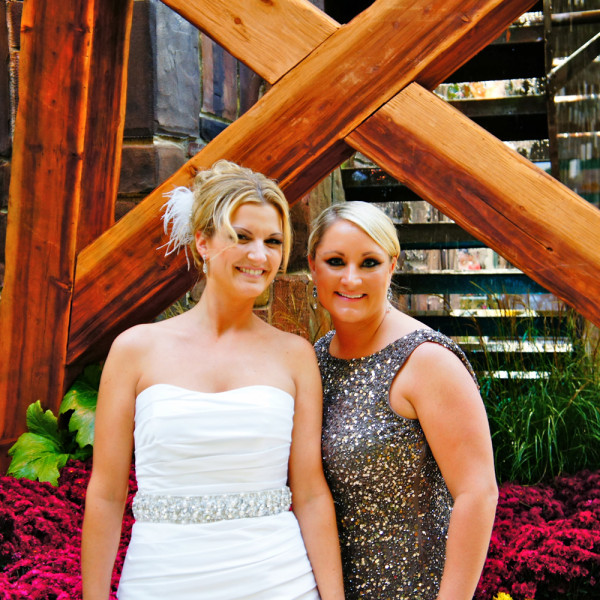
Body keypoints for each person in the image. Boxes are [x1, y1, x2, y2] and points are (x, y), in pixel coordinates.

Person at [82, 160, 344, 599]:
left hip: (279, 582)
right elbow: (106, 493)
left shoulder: (295, 355)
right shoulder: (134, 350)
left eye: (273, 241)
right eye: (241, 237)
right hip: (160, 581)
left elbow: (311, 493)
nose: (259, 255)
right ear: (203, 242)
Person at [307, 201, 498, 600]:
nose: (351, 278)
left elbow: (478, 493)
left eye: (370, 262)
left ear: (392, 266)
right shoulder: (315, 359)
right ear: (313, 265)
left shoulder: (426, 360)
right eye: (336, 261)